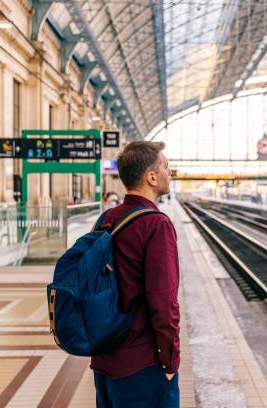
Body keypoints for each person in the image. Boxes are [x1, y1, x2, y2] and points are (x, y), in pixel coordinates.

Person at [91, 141, 180, 407]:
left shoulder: (107, 219)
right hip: (143, 363)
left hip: (105, 358)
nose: (169, 172)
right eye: (165, 166)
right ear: (151, 177)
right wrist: (170, 359)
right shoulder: (157, 224)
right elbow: (163, 301)